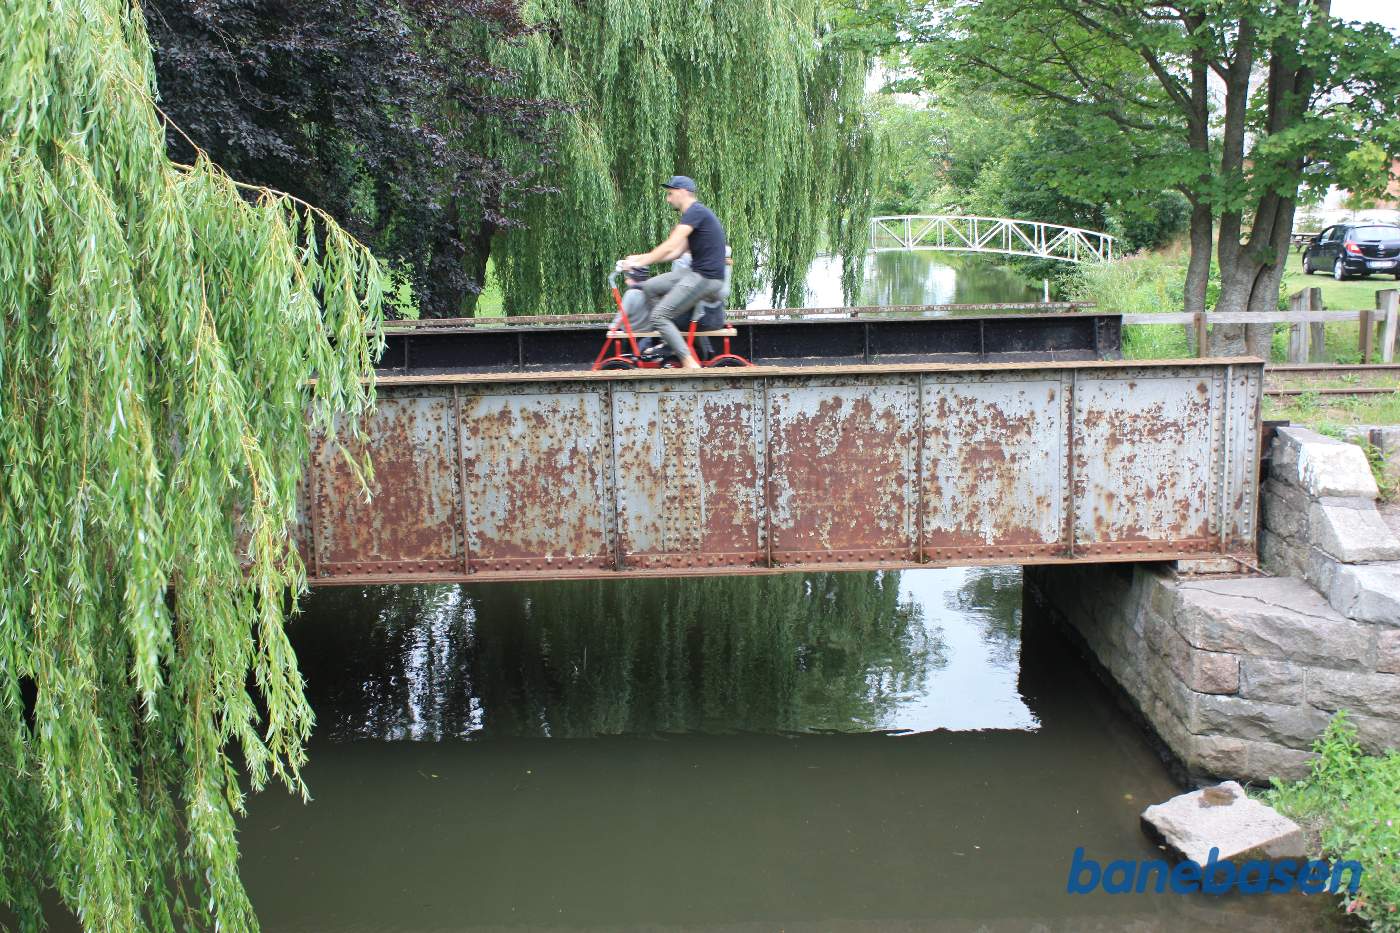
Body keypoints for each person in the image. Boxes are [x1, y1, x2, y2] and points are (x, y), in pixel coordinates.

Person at [621, 175, 728, 370]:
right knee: (651, 286)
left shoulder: (695, 212)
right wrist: (637, 258)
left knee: (659, 316)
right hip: (695, 273)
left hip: (707, 278)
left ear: (683, 192)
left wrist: (642, 261)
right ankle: (671, 340)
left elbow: (670, 244)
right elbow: (675, 252)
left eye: (670, 194)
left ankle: (689, 363)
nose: (668, 199)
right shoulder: (696, 215)